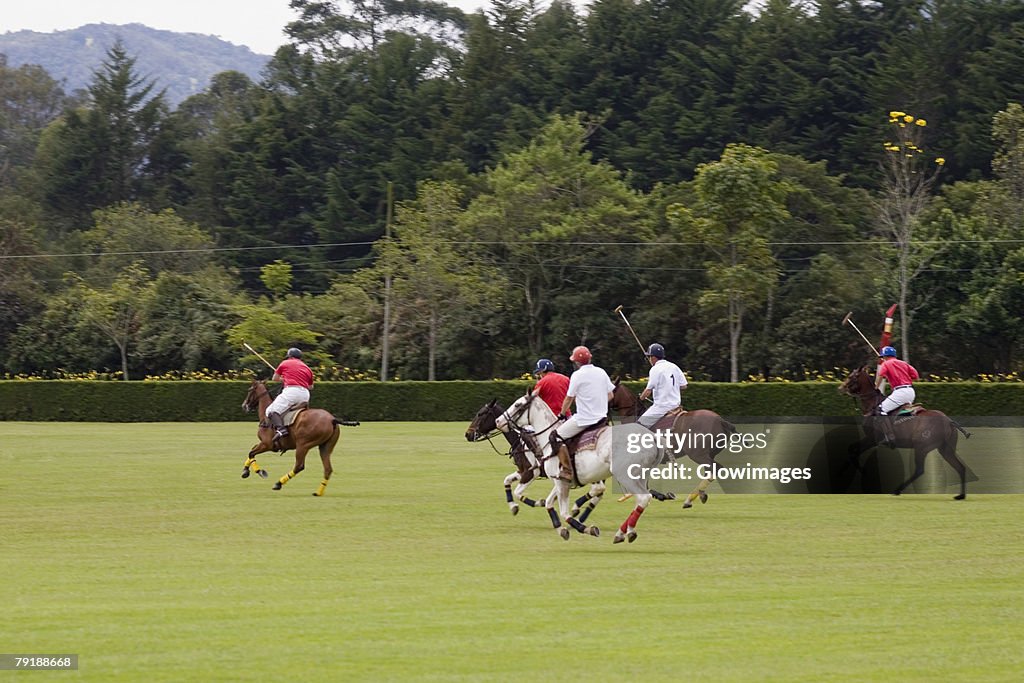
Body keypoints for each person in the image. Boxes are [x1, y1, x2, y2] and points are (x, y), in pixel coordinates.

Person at [550, 346, 615, 481]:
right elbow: (610, 395)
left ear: (576, 362)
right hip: (602, 418)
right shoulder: (601, 372)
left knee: (555, 436)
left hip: (584, 420)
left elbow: (569, 398)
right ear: (590, 358)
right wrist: (598, 403)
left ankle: (567, 471)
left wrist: (562, 414)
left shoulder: (577, 375)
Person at [266, 347, 314, 441]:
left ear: (289, 356)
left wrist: (284, 379)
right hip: (305, 394)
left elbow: (275, 378)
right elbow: (311, 386)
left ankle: (281, 430)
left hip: (291, 392)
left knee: (270, 411)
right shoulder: (307, 368)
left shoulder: (285, 363)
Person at [875, 345, 919, 447]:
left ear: (885, 356)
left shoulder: (886, 364)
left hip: (900, 392)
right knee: (900, 412)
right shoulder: (904, 363)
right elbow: (916, 376)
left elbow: (880, 376)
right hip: (911, 391)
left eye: (883, 357)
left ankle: (890, 437)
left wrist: (876, 387)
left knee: (881, 410)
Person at [637, 343, 687, 429]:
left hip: (661, 407)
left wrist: (639, 399)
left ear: (653, 357)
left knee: (639, 425)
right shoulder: (674, 366)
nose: (649, 359)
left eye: (649, 357)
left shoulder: (655, 369)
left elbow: (648, 391)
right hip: (676, 406)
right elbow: (684, 386)